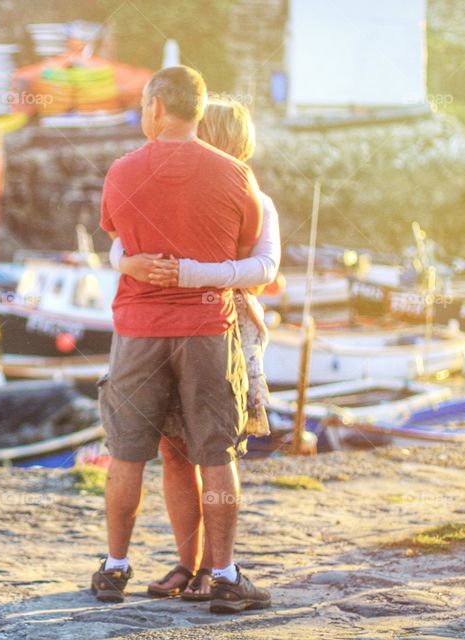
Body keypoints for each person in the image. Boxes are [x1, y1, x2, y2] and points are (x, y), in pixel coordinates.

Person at [91, 66, 271, 614]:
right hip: (205, 332)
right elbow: (246, 256)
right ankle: (223, 574)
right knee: (215, 452)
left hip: (138, 332)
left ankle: (116, 567)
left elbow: (118, 240)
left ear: (156, 108)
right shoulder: (237, 177)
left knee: (126, 453)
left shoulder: (121, 172)